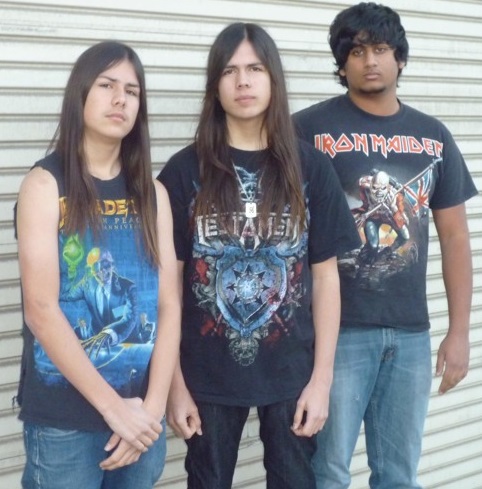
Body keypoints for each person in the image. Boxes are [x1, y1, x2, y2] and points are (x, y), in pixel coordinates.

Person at [158, 22, 360, 489]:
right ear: (215, 85)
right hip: (205, 378)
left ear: (273, 79)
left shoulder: (310, 168)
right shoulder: (184, 171)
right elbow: (167, 289)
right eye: (229, 71)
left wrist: (322, 381)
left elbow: (326, 278)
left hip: (292, 375)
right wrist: (174, 386)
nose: (243, 81)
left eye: (255, 69)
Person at [292, 3, 478, 488]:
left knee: (398, 476)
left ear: (400, 58)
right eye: (356, 51)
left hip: (411, 334)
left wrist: (459, 332)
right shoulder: (306, 131)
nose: (369, 60)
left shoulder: (433, 136)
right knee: (326, 474)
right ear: (341, 64)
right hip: (335, 336)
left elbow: (455, 236)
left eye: (380, 49)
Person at [15, 40, 181, 489]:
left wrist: (152, 410)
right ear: (81, 94)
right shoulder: (45, 185)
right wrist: (114, 410)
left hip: (141, 420)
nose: (120, 99)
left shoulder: (154, 195)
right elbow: (41, 310)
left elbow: (168, 305)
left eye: (132, 90)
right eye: (107, 85)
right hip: (65, 422)